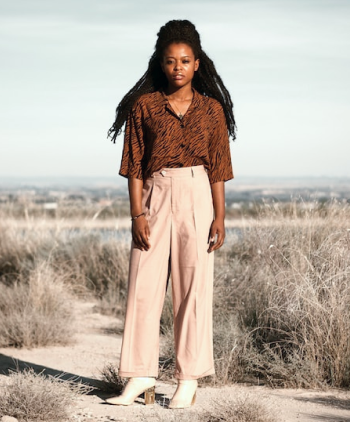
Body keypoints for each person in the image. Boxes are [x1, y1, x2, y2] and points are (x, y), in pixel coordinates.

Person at [106, 19, 235, 409]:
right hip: (155, 195)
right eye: (169, 61)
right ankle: (140, 374)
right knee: (144, 287)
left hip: (198, 194)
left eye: (184, 60)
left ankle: (189, 378)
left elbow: (218, 168)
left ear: (197, 63)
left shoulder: (212, 111)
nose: (177, 66)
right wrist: (136, 215)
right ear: (160, 64)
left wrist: (220, 216)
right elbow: (133, 165)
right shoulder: (143, 106)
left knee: (192, 290)